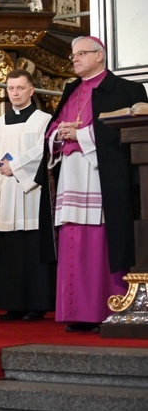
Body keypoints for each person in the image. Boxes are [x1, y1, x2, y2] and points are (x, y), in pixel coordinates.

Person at [36, 36, 148, 332]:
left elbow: (131, 132)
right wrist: (59, 134)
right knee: (73, 239)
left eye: (81, 53)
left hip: (104, 176)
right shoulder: (71, 90)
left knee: (102, 240)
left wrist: (82, 134)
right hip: (71, 173)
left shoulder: (128, 89)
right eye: (73, 55)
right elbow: (52, 129)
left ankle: (108, 308)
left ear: (100, 56)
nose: (74, 59)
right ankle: (77, 311)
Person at [0, 69, 55, 321]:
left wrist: (15, 167)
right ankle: (12, 305)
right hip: (4, 192)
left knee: (31, 246)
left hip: (30, 192)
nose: (15, 93)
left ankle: (36, 305)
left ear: (31, 90)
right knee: (10, 250)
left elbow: (43, 151)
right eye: (11, 88)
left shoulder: (43, 120)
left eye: (19, 88)